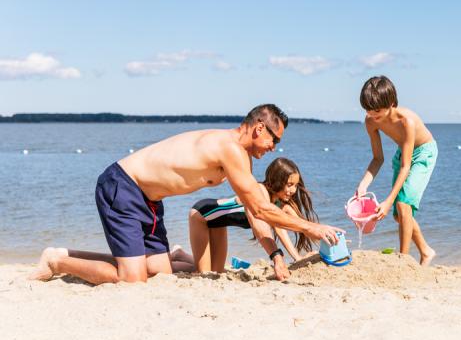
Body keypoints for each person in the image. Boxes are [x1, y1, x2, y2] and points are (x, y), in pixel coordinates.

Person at [28, 104, 342, 284]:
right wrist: (313, 228)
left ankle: (76, 256)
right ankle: (58, 261)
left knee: (158, 273)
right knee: (133, 281)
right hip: (123, 186)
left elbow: (254, 211)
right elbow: (262, 210)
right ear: (260, 128)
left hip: (150, 202)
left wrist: (275, 257)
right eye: (274, 140)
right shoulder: (229, 148)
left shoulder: (240, 158)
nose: (274, 148)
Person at [181, 157, 318, 280]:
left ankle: (181, 254)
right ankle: (174, 258)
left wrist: (298, 258)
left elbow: (295, 227)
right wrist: (278, 257)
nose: (293, 190)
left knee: (216, 272)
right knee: (203, 274)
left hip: (219, 223)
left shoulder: (281, 204)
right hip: (201, 215)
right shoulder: (259, 191)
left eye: (295, 185)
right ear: (277, 180)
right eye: (289, 185)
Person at [355, 76, 438, 266]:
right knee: (398, 214)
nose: (372, 114)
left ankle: (403, 261)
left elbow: (406, 166)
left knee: (402, 205)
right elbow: (378, 159)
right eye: (367, 109)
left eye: (377, 110)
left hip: (423, 153)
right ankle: (426, 251)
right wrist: (363, 184)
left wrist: (388, 200)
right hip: (404, 152)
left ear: (391, 103)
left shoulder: (405, 121)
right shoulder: (371, 121)